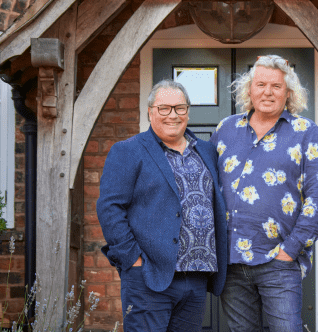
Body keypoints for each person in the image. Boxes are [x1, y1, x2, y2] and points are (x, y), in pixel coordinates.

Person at [210, 54, 318, 332]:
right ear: (249, 90)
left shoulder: (305, 132)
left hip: (277, 260)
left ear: (288, 93)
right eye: (261, 84)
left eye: (276, 86)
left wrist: (290, 250)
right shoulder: (225, 130)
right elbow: (207, 187)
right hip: (231, 262)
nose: (267, 92)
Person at [97, 80, 228, 332]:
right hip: (149, 277)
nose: (173, 115)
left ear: (187, 112)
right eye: (164, 108)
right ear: (150, 112)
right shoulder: (128, 151)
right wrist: (133, 260)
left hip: (197, 277)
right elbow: (109, 208)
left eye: (179, 108)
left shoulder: (207, 151)